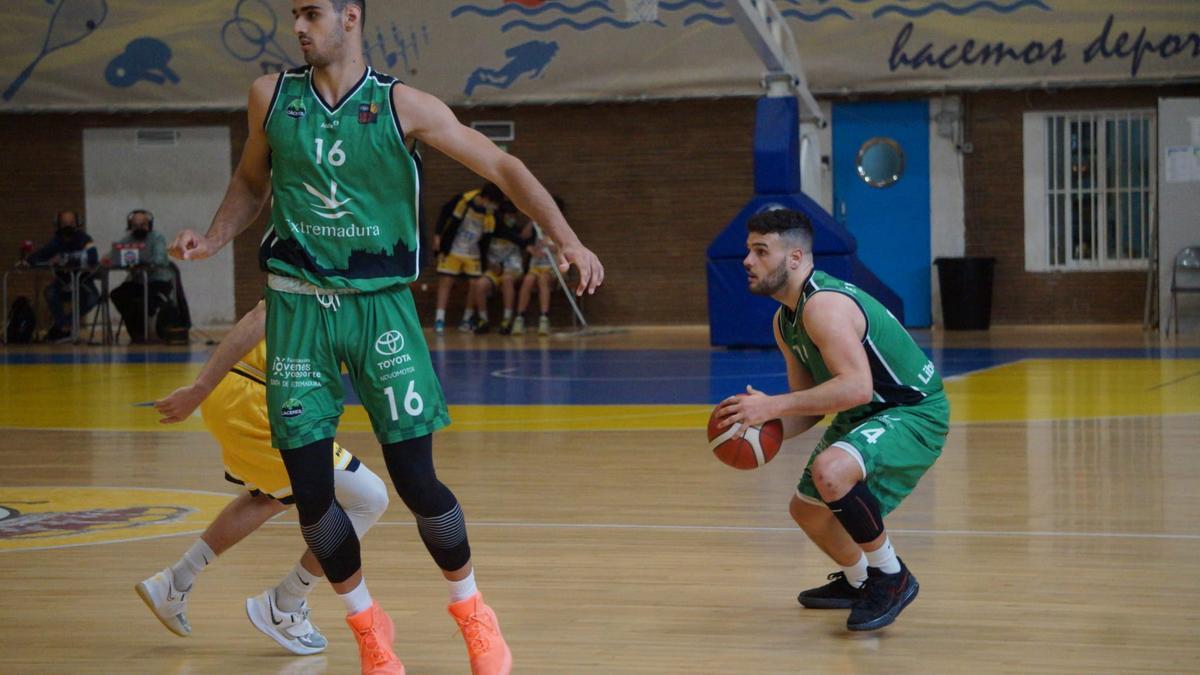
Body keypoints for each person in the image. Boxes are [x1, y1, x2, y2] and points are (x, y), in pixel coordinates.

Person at [168, 1, 604, 672]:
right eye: (294, 15)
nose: (299, 27)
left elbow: (504, 167)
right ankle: (369, 629)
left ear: (350, 18)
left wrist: (567, 238)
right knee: (313, 495)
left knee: (417, 481)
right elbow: (252, 181)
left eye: (312, 13)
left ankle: (473, 612)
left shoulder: (406, 107)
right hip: (297, 309)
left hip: (380, 308)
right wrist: (214, 234)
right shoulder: (269, 97)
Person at [716, 208, 948, 632]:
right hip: (866, 410)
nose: (747, 261)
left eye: (760, 251)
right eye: (748, 250)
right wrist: (761, 431)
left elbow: (857, 387)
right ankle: (861, 582)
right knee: (807, 512)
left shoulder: (823, 305)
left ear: (795, 257)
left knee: (831, 471)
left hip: (913, 410)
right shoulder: (783, 321)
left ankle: (892, 577)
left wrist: (772, 406)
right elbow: (814, 406)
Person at [137, 301, 389, 655]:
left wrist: (204, 389)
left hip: (237, 393)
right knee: (369, 498)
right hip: (262, 401)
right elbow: (260, 318)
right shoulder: (335, 271)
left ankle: (175, 582)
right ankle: (285, 605)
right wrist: (198, 388)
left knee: (269, 496)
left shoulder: (325, 268)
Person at [433, 184, 503, 333]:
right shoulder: (463, 200)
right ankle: (439, 319)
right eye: (493, 202)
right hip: (453, 248)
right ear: (485, 198)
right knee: (446, 281)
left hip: (473, 252)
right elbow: (445, 213)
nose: (494, 206)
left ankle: (467, 318)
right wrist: (438, 235)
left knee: (474, 284)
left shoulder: (491, 215)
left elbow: (496, 234)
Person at [22, 210, 98, 343]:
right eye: (64, 223)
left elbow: (92, 258)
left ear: (78, 223)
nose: (68, 226)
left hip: (83, 283)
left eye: (71, 223)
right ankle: (64, 327)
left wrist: (64, 257)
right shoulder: (55, 241)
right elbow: (37, 256)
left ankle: (63, 326)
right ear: (58, 224)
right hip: (62, 283)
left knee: (93, 298)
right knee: (50, 293)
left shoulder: (85, 239)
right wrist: (27, 260)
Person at [108, 209, 174, 343]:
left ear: (149, 224)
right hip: (138, 281)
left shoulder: (157, 238)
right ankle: (137, 333)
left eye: (142, 224)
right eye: (135, 225)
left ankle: (151, 332)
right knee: (118, 295)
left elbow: (159, 258)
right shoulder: (127, 240)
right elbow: (113, 256)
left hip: (159, 281)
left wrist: (143, 260)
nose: (139, 228)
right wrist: (108, 259)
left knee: (147, 301)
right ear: (130, 225)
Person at [471, 202, 530, 335]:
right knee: (479, 284)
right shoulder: (491, 232)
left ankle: (507, 320)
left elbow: (526, 237)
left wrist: (533, 219)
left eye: (513, 216)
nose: (511, 218)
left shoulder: (516, 231)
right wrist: (490, 266)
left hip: (513, 269)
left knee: (507, 280)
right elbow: (483, 253)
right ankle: (483, 320)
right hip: (494, 270)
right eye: (508, 215)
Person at [511, 197, 565, 337]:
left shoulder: (561, 228)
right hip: (536, 265)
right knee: (528, 280)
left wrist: (551, 246)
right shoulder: (537, 225)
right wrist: (532, 220)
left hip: (552, 268)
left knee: (542, 280)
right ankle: (519, 317)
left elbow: (564, 249)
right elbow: (524, 236)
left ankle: (544, 318)